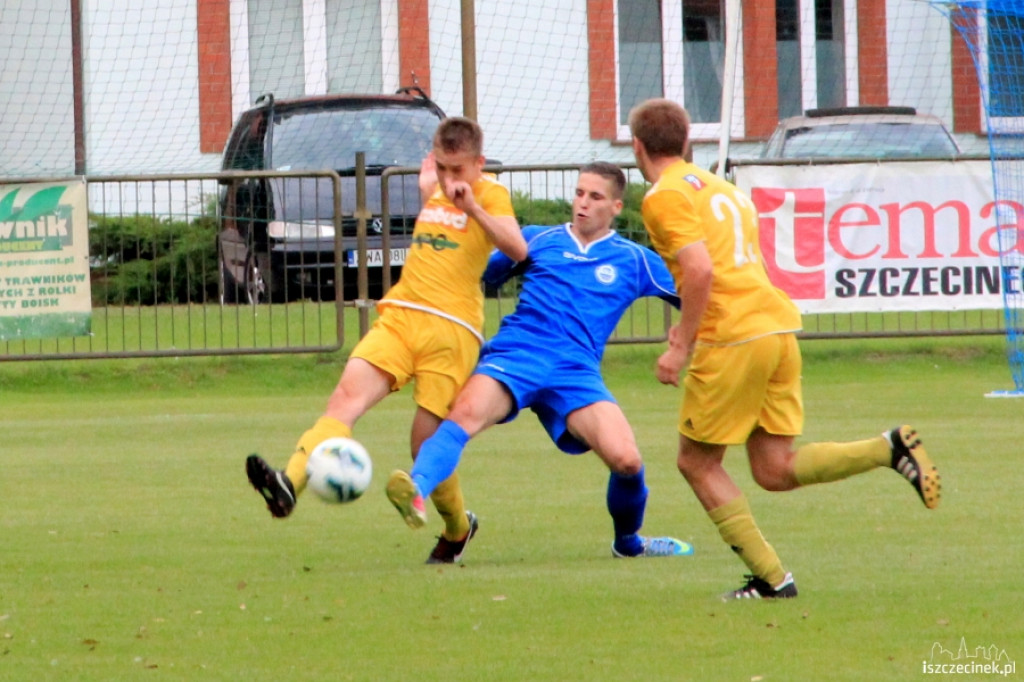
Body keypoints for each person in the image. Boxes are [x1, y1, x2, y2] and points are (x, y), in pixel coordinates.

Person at [627, 98, 942, 598]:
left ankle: (772, 579)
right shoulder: (724, 189)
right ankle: (887, 448)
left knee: (697, 463)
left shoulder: (664, 195)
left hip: (732, 337)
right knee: (774, 469)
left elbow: (701, 270)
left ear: (636, 146)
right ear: (687, 142)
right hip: (775, 329)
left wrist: (680, 344)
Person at [246, 116, 528, 564]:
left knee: (424, 443)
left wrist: (473, 206)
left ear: (479, 163)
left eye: (458, 169)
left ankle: (457, 528)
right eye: (441, 167)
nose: (449, 178)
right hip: (400, 315)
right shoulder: (435, 185)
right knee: (344, 400)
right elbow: (440, 238)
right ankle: (290, 483)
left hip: (452, 331)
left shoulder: (490, 194)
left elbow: (517, 249)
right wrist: (428, 191)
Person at [385, 162, 692, 559]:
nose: (582, 203)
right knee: (463, 417)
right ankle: (416, 489)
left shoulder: (635, 260)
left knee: (627, 461)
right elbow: (473, 270)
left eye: (595, 197)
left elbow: (699, 294)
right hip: (516, 356)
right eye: (579, 193)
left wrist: (688, 338)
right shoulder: (537, 239)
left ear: (616, 206)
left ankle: (629, 544)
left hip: (575, 372)